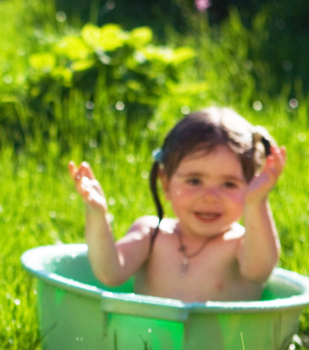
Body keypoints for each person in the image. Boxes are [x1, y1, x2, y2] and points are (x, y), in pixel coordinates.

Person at [68, 106, 286, 302]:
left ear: (251, 186)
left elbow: (260, 270)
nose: (210, 197)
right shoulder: (151, 235)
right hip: (146, 346)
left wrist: (257, 203)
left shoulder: (240, 245)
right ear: (165, 183)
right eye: (194, 181)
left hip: (224, 348)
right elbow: (110, 273)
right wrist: (97, 215)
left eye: (229, 184)